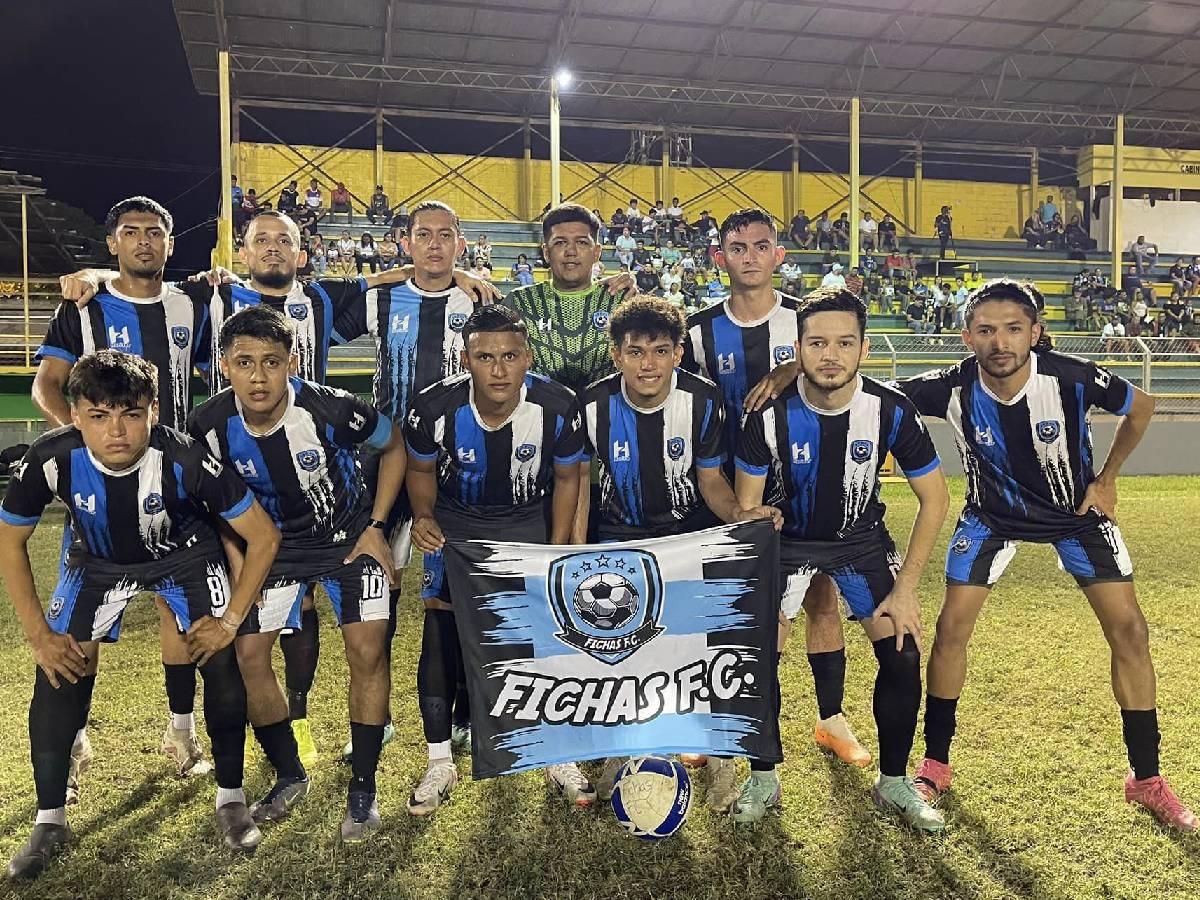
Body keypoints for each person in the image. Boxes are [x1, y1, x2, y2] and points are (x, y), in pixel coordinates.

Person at [58, 209, 498, 766]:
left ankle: (353, 717)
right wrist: (96, 275)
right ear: (241, 253)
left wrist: (459, 275)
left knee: (381, 596)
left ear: (301, 252)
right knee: (232, 610)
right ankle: (232, 723)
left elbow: (390, 278)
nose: (272, 249)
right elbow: (145, 283)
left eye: (283, 240)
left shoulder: (320, 299)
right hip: (240, 479)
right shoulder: (215, 297)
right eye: (260, 240)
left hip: (338, 469)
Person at [894, 279, 1196, 832]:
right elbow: (867, 393)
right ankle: (935, 764)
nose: (1000, 342)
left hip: (1075, 515)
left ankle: (1146, 778)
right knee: (950, 629)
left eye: (1014, 329)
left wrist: (1107, 479)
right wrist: (795, 370)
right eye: (986, 330)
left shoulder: (1071, 377)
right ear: (967, 337)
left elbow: (1143, 407)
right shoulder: (948, 387)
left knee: (1130, 631)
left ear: (1035, 332)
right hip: (991, 518)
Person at [2, 351, 281, 878]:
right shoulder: (49, 458)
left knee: (220, 658)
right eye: (98, 415)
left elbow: (263, 536)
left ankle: (231, 798)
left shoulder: (184, 457)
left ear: (153, 411)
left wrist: (229, 622)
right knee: (57, 667)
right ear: (75, 414)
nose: (116, 431)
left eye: (131, 414)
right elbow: (9, 541)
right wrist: (38, 635)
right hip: (98, 561)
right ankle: (49, 820)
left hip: (185, 556)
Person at [734, 287, 950, 829]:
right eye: (817, 343)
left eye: (844, 343)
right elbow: (746, 508)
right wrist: (759, 576)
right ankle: (763, 777)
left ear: (864, 348)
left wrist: (906, 590)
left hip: (860, 541)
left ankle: (894, 782)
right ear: (797, 349)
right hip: (785, 541)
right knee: (756, 653)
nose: (830, 355)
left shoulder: (891, 409)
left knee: (901, 652)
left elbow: (936, 499)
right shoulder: (767, 414)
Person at [189, 305, 407, 843]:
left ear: (292, 362)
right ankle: (289, 774)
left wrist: (377, 525)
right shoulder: (206, 425)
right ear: (224, 365)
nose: (258, 377)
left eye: (271, 362)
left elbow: (394, 444)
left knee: (367, 651)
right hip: (274, 551)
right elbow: (210, 501)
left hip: (345, 541)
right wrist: (236, 555)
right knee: (249, 657)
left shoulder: (330, 408)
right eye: (244, 362)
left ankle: (363, 790)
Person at [681, 209, 871, 777]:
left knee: (821, 599)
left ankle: (832, 719)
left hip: (804, 484)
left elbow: (844, 375)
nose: (750, 257)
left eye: (761, 246)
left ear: (778, 255)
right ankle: (715, 721)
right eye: (737, 248)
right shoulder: (697, 331)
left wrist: (794, 371)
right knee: (724, 605)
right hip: (724, 487)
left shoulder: (805, 322)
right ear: (719, 258)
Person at [38, 197, 218, 793]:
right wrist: (84, 446)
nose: (145, 241)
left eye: (156, 232)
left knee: (180, 611)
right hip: (101, 484)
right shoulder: (82, 306)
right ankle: (73, 740)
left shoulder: (192, 302)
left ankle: (182, 731)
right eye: (132, 232)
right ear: (112, 243)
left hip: (176, 484)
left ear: (170, 243)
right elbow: (48, 386)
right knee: (83, 622)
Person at [580, 296, 783, 808]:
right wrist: (573, 551)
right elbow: (578, 486)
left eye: (660, 351)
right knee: (622, 650)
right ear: (616, 355)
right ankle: (624, 750)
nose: (647, 364)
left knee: (702, 649)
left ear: (677, 353)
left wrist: (738, 515)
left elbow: (710, 479)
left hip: (688, 533)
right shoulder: (591, 405)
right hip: (620, 536)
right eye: (635, 352)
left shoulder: (704, 400)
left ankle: (719, 758)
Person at [404, 305, 585, 813]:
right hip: (457, 523)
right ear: (466, 360)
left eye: (510, 356)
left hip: (526, 518)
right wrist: (423, 516)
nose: (499, 369)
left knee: (544, 634)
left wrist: (557, 549)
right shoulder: (431, 408)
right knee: (441, 627)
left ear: (528, 357)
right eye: (485, 357)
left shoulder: (558, 405)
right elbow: (419, 469)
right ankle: (439, 761)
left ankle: (558, 752)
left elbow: (568, 478)